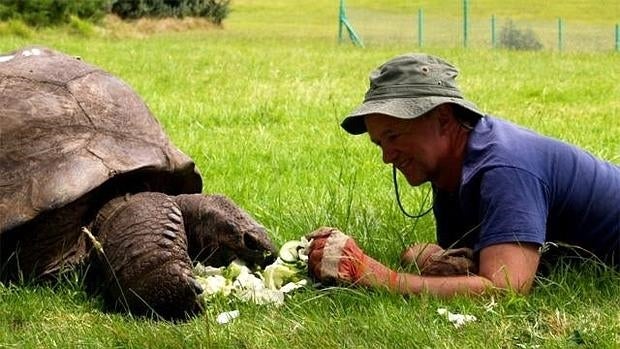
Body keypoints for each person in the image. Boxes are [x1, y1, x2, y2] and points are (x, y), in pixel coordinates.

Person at [307, 53, 620, 297]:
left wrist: (376, 275)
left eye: (394, 136)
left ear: (443, 118)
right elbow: (469, 262)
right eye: (379, 143)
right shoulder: (450, 169)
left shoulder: (504, 166)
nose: (387, 156)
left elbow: (506, 289)